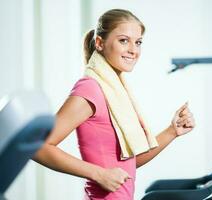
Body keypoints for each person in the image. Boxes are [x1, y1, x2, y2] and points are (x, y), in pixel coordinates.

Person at [33, 8, 195, 200]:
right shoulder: (91, 89)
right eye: (123, 40)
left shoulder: (115, 91)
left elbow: (128, 162)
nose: (133, 50)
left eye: (138, 42)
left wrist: (172, 131)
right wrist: (98, 174)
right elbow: (38, 146)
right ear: (100, 43)